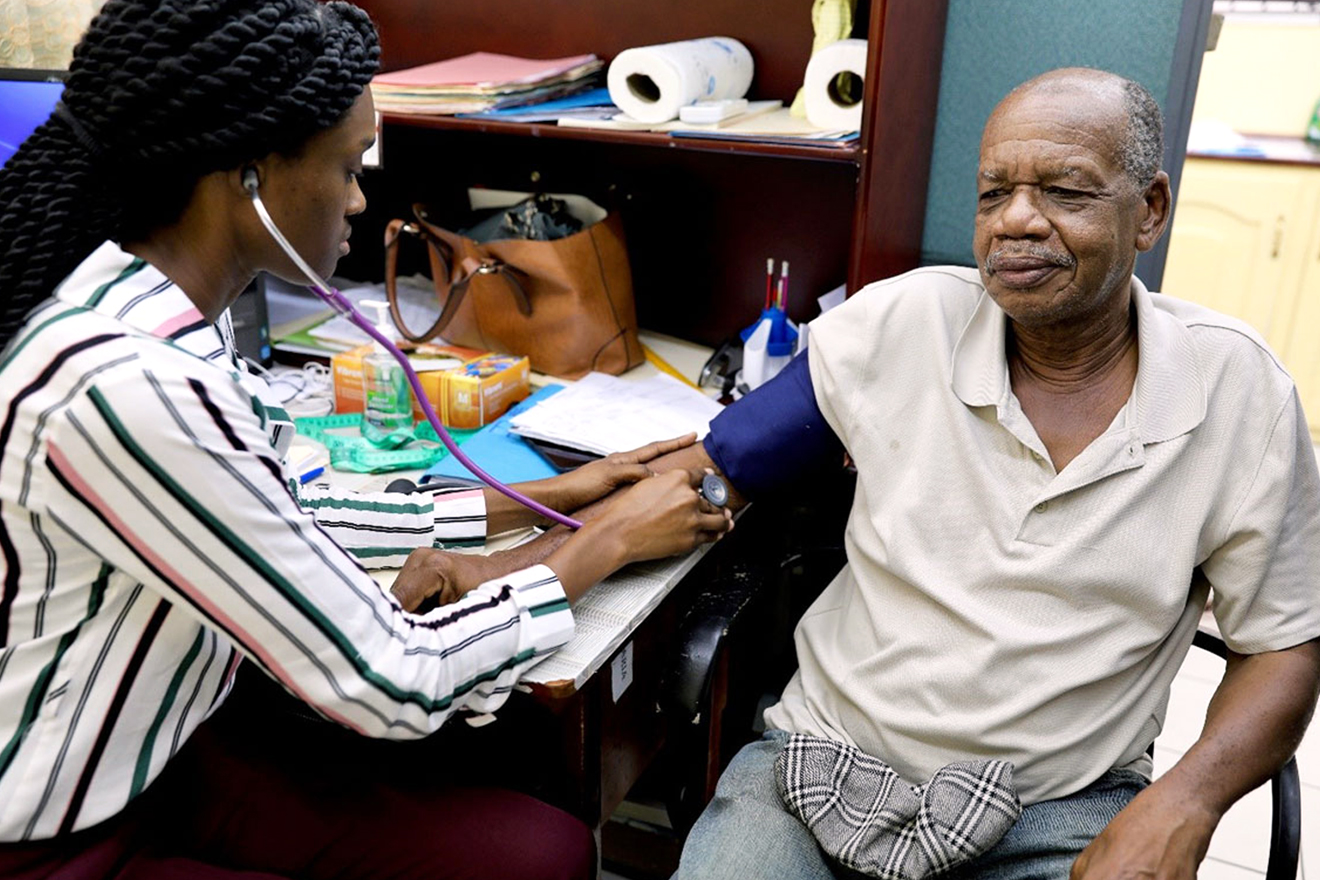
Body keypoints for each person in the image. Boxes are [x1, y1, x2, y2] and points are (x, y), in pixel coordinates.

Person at [0, 1, 731, 877]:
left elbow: (275, 503)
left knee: (539, 847)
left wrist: (543, 498)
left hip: (169, 743)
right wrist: (597, 544)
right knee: (535, 857)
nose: (359, 197)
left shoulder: (149, 311)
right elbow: (388, 677)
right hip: (62, 834)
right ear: (248, 176)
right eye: (348, 166)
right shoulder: (133, 383)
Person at [657, 68, 1320, 879]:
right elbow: (723, 465)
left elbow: (1285, 646)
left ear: (1149, 210)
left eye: (1065, 191)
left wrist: (1188, 800)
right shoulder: (903, 323)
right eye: (992, 191)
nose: (1015, 220)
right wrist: (540, 537)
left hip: (1058, 805)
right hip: (823, 763)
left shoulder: (1239, 393)